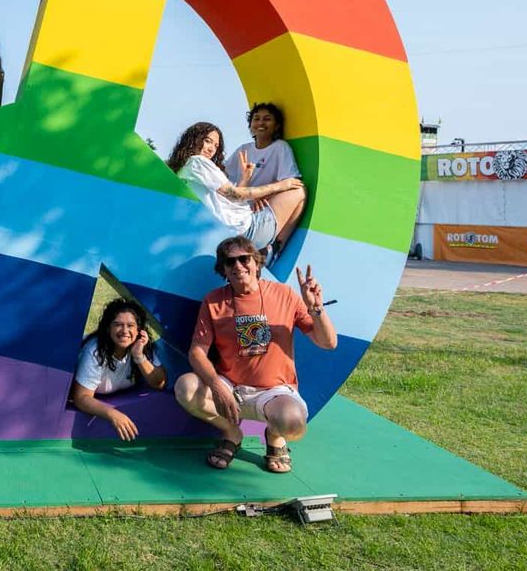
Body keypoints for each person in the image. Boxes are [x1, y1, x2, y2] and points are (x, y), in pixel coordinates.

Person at [174, 236, 337, 473]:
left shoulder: (285, 295)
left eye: (244, 259)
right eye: (230, 262)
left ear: (257, 262)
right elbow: (197, 352)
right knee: (185, 388)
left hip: (274, 391)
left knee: (293, 424)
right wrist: (217, 386)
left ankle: (275, 436)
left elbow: (328, 342)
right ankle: (231, 432)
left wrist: (316, 308)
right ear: (223, 269)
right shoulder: (213, 301)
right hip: (230, 388)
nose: (238, 266)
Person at [167, 122, 305, 254]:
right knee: (298, 191)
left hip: (230, 238)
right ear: (193, 139)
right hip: (248, 231)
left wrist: (245, 178)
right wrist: (280, 186)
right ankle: (274, 249)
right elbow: (234, 194)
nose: (211, 149)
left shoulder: (182, 170)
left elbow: (231, 201)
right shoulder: (197, 161)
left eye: (216, 146)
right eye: (208, 141)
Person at [70, 299, 167, 441]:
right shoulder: (95, 351)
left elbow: (159, 383)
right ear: (108, 328)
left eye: (130, 325)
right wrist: (113, 414)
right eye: (118, 325)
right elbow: (81, 397)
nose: (125, 331)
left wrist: (139, 357)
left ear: (139, 330)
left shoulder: (141, 346)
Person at [229, 103, 307, 250]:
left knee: (300, 192)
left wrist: (263, 195)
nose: (261, 123)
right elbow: (223, 178)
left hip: (264, 209)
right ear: (251, 125)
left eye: (267, 119)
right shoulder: (243, 149)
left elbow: (291, 182)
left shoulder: (280, 147)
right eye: (256, 119)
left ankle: (277, 246)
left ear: (276, 126)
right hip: (242, 211)